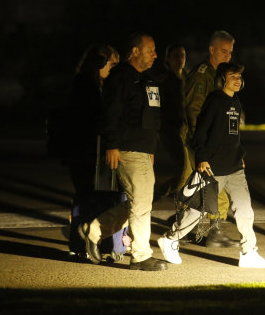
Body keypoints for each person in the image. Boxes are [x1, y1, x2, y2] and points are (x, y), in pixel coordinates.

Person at [157, 62, 265, 268]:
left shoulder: (235, 101)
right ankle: (170, 238)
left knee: (245, 210)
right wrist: (202, 158)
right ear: (221, 80)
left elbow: (233, 135)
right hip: (213, 167)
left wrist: (240, 154)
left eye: (239, 77)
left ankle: (248, 253)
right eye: (233, 77)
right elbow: (200, 133)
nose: (238, 80)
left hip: (235, 167)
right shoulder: (214, 101)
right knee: (199, 210)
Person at [78, 33, 168, 271]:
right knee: (141, 203)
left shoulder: (148, 79)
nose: (155, 54)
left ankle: (94, 230)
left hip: (143, 149)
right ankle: (140, 255)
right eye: (151, 50)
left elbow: (151, 118)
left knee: (139, 203)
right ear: (135, 51)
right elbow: (111, 113)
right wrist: (112, 144)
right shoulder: (121, 78)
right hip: (127, 147)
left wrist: (151, 148)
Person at [181, 30, 238, 247]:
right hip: (202, 143)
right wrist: (204, 145)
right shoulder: (202, 75)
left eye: (230, 52)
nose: (227, 56)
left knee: (209, 187)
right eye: (223, 51)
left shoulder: (219, 75)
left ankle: (194, 229)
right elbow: (194, 111)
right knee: (212, 186)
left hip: (214, 143)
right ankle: (209, 231)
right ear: (211, 50)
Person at [65, 44, 119, 198]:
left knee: (88, 191)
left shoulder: (91, 84)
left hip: (83, 148)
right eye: (112, 64)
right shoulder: (87, 86)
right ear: (100, 63)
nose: (113, 69)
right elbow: (94, 117)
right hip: (84, 148)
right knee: (87, 190)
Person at [154, 44, 190, 200]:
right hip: (170, 129)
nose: (180, 59)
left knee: (189, 168)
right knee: (183, 166)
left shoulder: (188, 78)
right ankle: (163, 192)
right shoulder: (164, 81)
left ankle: (168, 192)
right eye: (176, 56)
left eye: (182, 55)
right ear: (167, 59)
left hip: (187, 128)